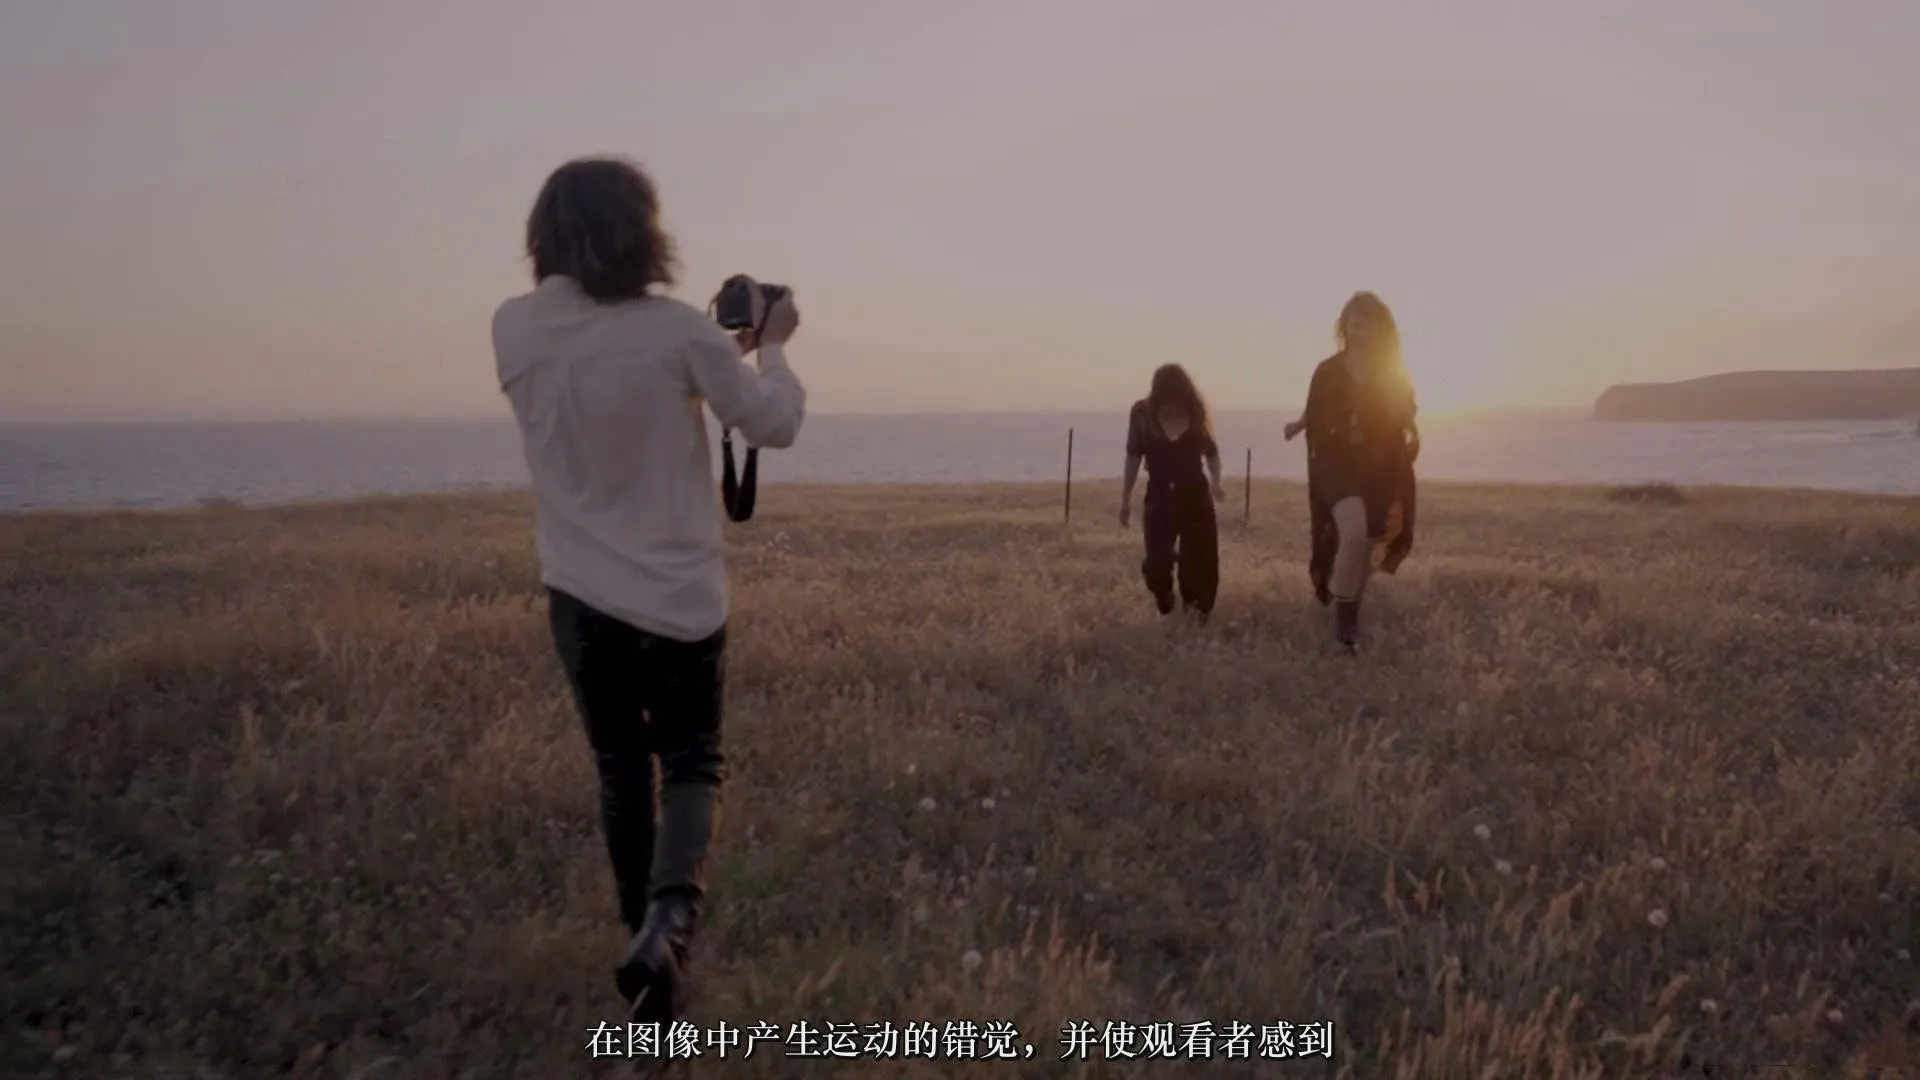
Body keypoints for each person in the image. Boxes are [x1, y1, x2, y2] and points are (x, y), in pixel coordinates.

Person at [491, 156, 807, 1023]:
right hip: (678, 604)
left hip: (578, 601)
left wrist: (716, 348)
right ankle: (671, 925)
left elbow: (599, 360)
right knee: (693, 760)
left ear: (544, 238)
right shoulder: (680, 333)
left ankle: (640, 934)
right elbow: (770, 424)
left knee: (621, 768)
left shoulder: (513, 329)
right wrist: (768, 347)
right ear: (647, 235)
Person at [1284, 291, 1419, 653]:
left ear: (1380, 328)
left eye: (1366, 321)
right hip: (1335, 462)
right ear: (1344, 326)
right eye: (1353, 320)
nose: (1358, 327)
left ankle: (1350, 618)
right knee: (1354, 531)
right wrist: (1298, 425)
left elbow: (1406, 409)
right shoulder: (1327, 370)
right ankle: (1344, 635)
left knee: (1365, 546)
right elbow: (1315, 410)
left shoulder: (1390, 371)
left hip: (1379, 461)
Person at [1119, 364, 1228, 622]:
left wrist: (1216, 482)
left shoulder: (1196, 412)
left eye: (1176, 400)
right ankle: (1165, 605)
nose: (1172, 407)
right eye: (1166, 402)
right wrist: (1124, 499)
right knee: (1157, 562)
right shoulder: (1141, 414)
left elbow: (1211, 453)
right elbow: (1133, 456)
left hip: (1195, 495)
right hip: (1159, 496)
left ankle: (1197, 618)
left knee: (1200, 564)